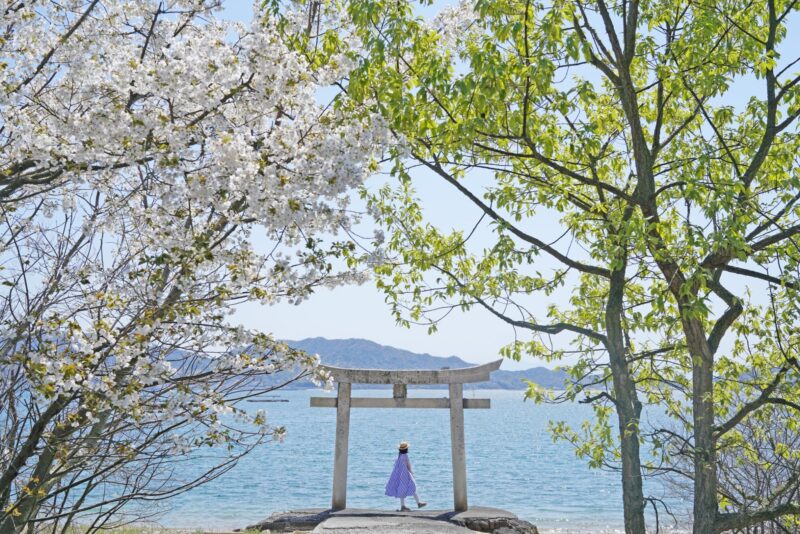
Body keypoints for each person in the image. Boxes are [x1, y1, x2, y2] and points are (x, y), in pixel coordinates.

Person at [385, 440, 427, 511]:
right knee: (413, 486)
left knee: (402, 489)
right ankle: (418, 503)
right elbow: (408, 465)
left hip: (400, 475)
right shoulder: (405, 456)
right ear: (406, 449)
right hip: (406, 475)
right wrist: (412, 473)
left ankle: (403, 506)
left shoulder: (400, 456)